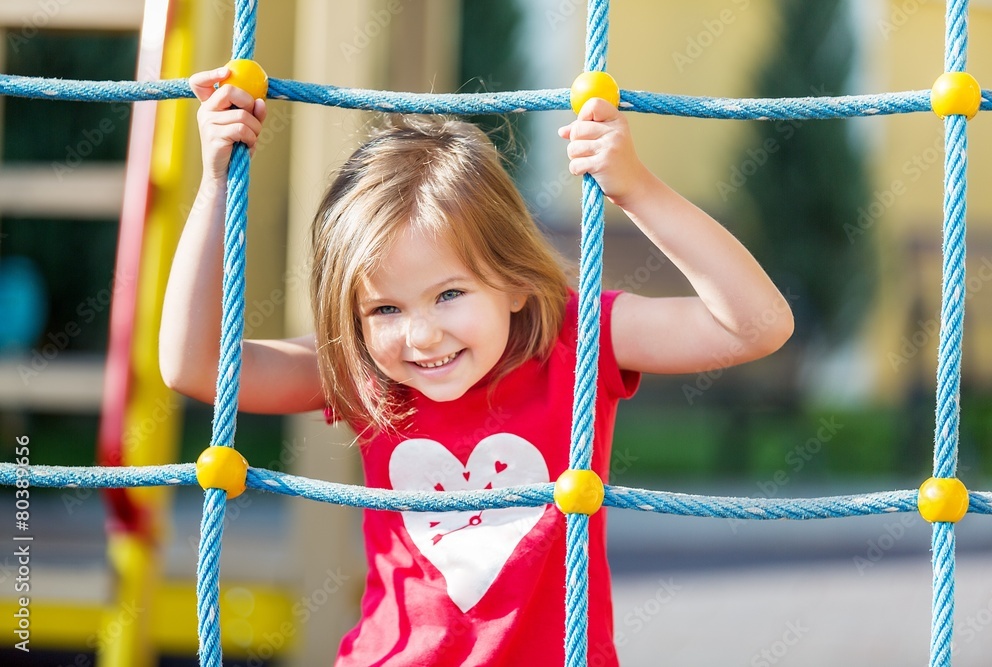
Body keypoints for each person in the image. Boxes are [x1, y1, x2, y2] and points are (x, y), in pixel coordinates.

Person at [160, 66, 794, 666]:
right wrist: (217, 182)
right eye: (384, 306)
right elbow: (194, 367)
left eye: (450, 293)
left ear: (514, 282)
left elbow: (757, 326)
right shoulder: (368, 368)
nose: (420, 333)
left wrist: (635, 187)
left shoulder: (576, 341)